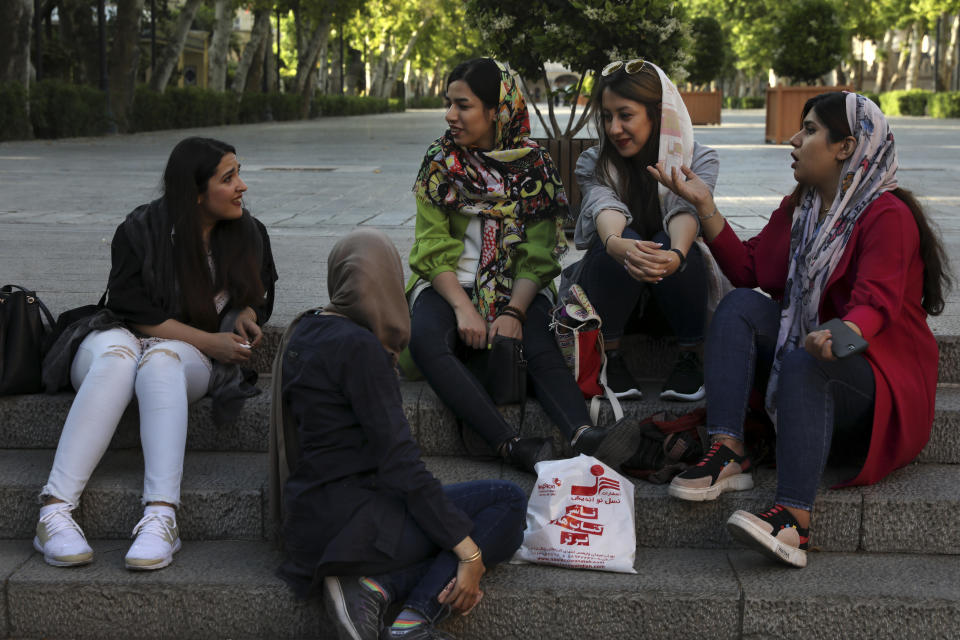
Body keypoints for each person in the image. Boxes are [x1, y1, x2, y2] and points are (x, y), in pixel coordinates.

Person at [654, 92, 949, 568]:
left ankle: (793, 519)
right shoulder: (805, 206)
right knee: (741, 305)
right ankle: (728, 451)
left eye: (809, 130)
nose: (794, 140)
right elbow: (750, 269)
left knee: (804, 360)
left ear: (845, 146)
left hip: (879, 389)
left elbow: (877, 305)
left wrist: (840, 335)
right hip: (811, 366)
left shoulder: (887, 215)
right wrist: (705, 204)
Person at [35, 137, 277, 570]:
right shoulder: (141, 228)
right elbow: (131, 309)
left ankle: (161, 517)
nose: (242, 186)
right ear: (195, 192)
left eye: (238, 172)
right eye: (229, 177)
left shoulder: (249, 233)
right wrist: (209, 341)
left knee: (162, 362)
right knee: (119, 358)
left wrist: (245, 312)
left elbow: (263, 292)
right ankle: (53, 511)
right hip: (117, 336)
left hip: (181, 359)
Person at [274, 229, 526, 640]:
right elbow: (401, 464)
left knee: (468, 513)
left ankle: (373, 587)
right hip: (353, 529)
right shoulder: (361, 349)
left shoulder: (305, 329)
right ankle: (410, 616)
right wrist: (468, 551)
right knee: (507, 503)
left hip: (311, 518)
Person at [405, 58, 636, 474]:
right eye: (449, 104)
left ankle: (584, 434)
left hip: (518, 287)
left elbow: (539, 254)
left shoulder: (535, 167)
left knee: (537, 337)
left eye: (463, 105)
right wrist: (463, 307)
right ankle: (509, 444)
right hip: (447, 285)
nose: (449, 116)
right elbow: (430, 248)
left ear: (496, 111)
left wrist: (512, 311)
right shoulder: (439, 162)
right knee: (425, 341)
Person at [573, 58, 727, 401]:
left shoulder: (699, 159)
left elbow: (684, 210)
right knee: (619, 242)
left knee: (669, 245)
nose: (614, 129)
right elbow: (603, 205)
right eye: (607, 117)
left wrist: (674, 255)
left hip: (678, 291)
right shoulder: (593, 162)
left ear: (658, 113)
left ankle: (690, 355)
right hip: (612, 291)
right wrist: (616, 244)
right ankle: (609, 356)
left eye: (625, 115)